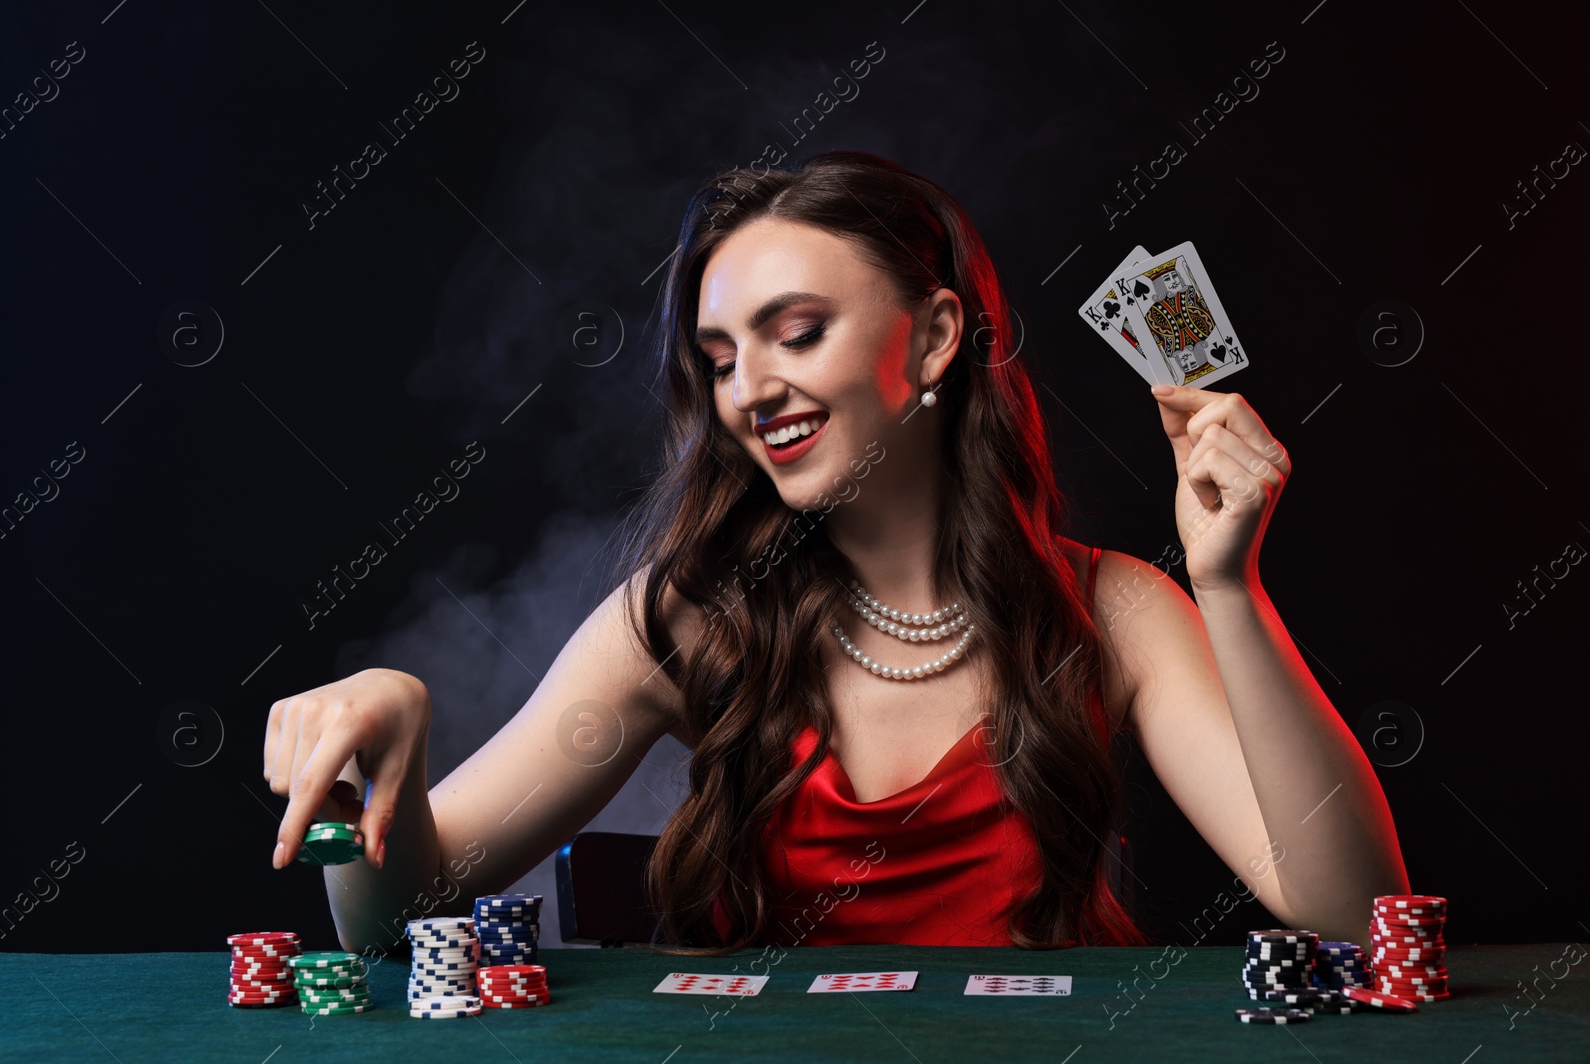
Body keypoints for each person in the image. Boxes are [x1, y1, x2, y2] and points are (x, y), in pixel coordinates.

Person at [263, 151, 1408, 958]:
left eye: (795, 332)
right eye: (716, 358)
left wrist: (1227, 586)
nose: (748, 389)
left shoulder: (1116, 608)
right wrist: (386, 761)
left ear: (938, 337)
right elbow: (392, 919)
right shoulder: (685, 618)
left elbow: (1353, 915)